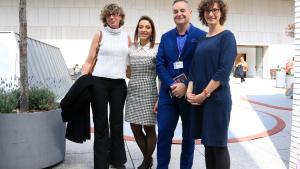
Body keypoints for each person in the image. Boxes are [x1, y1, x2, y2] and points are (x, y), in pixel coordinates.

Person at [186, 0, 237, 169]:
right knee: (208, 143)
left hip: (217, 99)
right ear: (203, 14)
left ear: (221, 13)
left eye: (215, 10)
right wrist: (190, 91)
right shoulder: (201, 39)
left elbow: (224, 70)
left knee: (219, 144)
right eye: (207, 11)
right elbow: (194, 68)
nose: (211, 13)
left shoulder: (227, 36)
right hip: (200, 99)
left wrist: (204, 94)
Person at [156, 0, 206, 168]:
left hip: (189, 93)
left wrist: (185, 85)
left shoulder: (201, 36)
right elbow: (159, 65)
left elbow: (201, 66)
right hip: (167, 95)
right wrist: (171, 84)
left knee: (188, 136)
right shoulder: (166, 37)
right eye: (175, 11)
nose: (179, 14)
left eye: (182, 10)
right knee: (163, 134)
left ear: (190, 12)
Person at [81, 3, 130, 169]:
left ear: (121, 17)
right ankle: (101, 164)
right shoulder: (99, 35)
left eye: (115, 14)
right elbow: (89, 60)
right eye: (109, 15)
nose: (112, 17)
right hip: (99, 83)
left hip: (119, 84)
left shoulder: (126, 37)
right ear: (105, 18)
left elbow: (129, 65)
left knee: (117, 123)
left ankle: (117, 160)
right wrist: (82, 82)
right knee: (101, 123)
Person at [125, 16, 158, 169]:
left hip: (149, 92)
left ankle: (145, 163)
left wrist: (160, 98)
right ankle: (148, 159)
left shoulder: (156, 50)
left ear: (152, 31)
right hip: (133, 91)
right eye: (141, 27)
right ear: (137, 29)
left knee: (149, 127)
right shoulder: (131, 49)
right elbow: (128, 73)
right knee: (135, 128)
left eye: (147, 27)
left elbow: (161, 76)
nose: (144, 29)